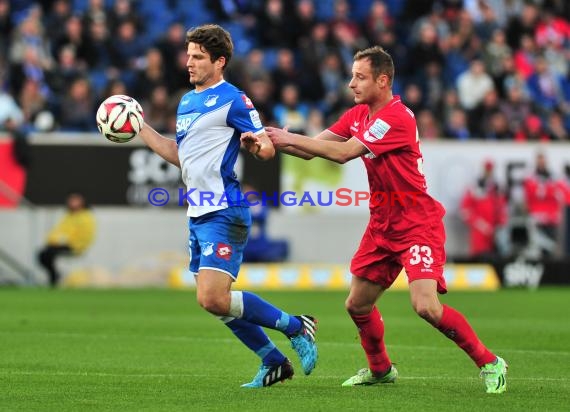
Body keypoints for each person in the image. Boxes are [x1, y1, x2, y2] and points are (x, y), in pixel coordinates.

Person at [266, 46, 508, 393]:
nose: (351, 84)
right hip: (382, 225)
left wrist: (288, 138)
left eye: (359, 77)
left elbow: (345, 153)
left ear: (383, 80)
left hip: (416, 224)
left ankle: (490, 362)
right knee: (357, 304)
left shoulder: (397, 117)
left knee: (425, 305)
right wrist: (272, 141)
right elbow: (312, 150)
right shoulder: (357, 115)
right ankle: (380, 370)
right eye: (351, 76)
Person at [136, 24, 317, 388]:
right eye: (188, 55)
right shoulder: (186, 101)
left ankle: (298, 326)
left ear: (219, 62)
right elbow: (180, 156)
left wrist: (256, 145)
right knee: (213, 302)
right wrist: (139, 126)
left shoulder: (235, 99)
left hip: (225, 209)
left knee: (213, 296)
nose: (189, 63)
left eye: (198, 57)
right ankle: (273, 362)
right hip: (198, 212)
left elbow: (266, 147)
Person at [37, 192, 96, 287]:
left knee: (49, 253)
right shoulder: (68, 216)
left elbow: (84, 235)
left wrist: (65, 241)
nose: (72, 203)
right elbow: (57, 231)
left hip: (75, 246)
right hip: (61, 244)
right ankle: (55, 275)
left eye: (75, 200)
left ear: (82, 202)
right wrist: (53, 240)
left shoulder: (86, 217)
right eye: (71, 200)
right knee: (42, 254)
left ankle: (54, 278)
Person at [460, 160, 508, 260]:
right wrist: (480, 224)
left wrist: (500, 224)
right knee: (480, 259)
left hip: (494, 234)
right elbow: (465, 211)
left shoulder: (497, 188)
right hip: (479, 234)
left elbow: (502, 207)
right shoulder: (475, 187)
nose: (489, 172)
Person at [241, 183, 289, 263]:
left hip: (260, 245)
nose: (247, 192)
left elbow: (262, 215)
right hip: (246, 246)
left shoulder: (261, 202)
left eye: (249, 190)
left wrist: (248, 213)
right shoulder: (239, 204)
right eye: (245, 190)